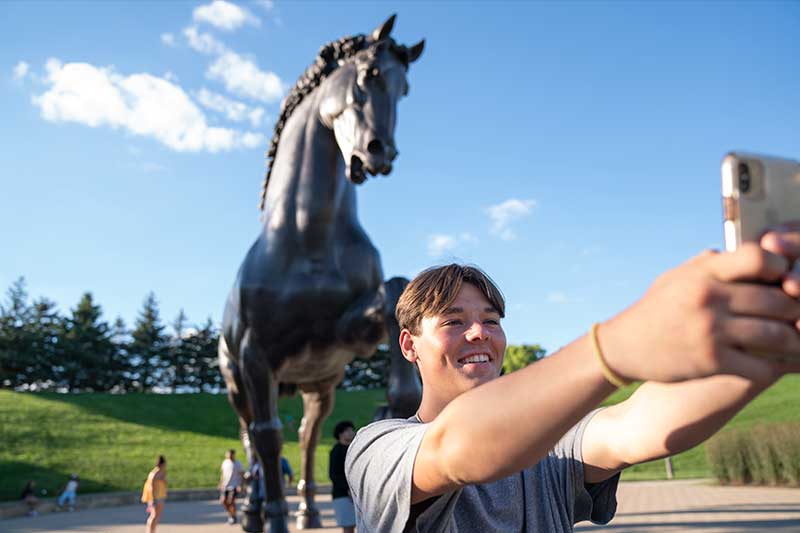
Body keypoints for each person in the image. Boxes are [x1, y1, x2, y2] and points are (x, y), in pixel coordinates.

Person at [346, 228, 800, 532]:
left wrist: (770, 344)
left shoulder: (548, 447)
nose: (480, 331)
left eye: (491, 320)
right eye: (453, 321)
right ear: (409, 346)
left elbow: (640, 424)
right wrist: (617, 346)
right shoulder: (376, 449)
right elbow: (455, 448)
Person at [329, 420, 356, 533]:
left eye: (352, 430)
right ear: (340, 434)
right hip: (342, 495)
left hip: (357, 494)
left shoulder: (355, 449)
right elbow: (334, 475)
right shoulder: (336, 451)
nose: (351, 433)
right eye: (347, 431)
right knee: (348, 526)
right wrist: (347, 489)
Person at [141, 455, 167, 533]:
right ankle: (149, 531)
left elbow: (164, 483)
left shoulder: (163, 472)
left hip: (160, 495)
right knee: (153, 515)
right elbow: (150, 487)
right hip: (154, 497)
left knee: (157, 515)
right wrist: (152, 499)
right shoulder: (154, 473)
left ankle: (153, 530)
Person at [219, 449, 245, 525]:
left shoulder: (238, 463)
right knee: (223, 501)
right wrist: (221, 483)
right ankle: (231, 515)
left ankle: (233, 517)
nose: (229, 456)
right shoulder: (225, 463)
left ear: (234, 455)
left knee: (231, 501)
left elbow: (242, 474)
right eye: (228, 454)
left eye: (230, 454)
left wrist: (241, 485)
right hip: (225, 485)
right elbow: (223, 474)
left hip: (234, 485)